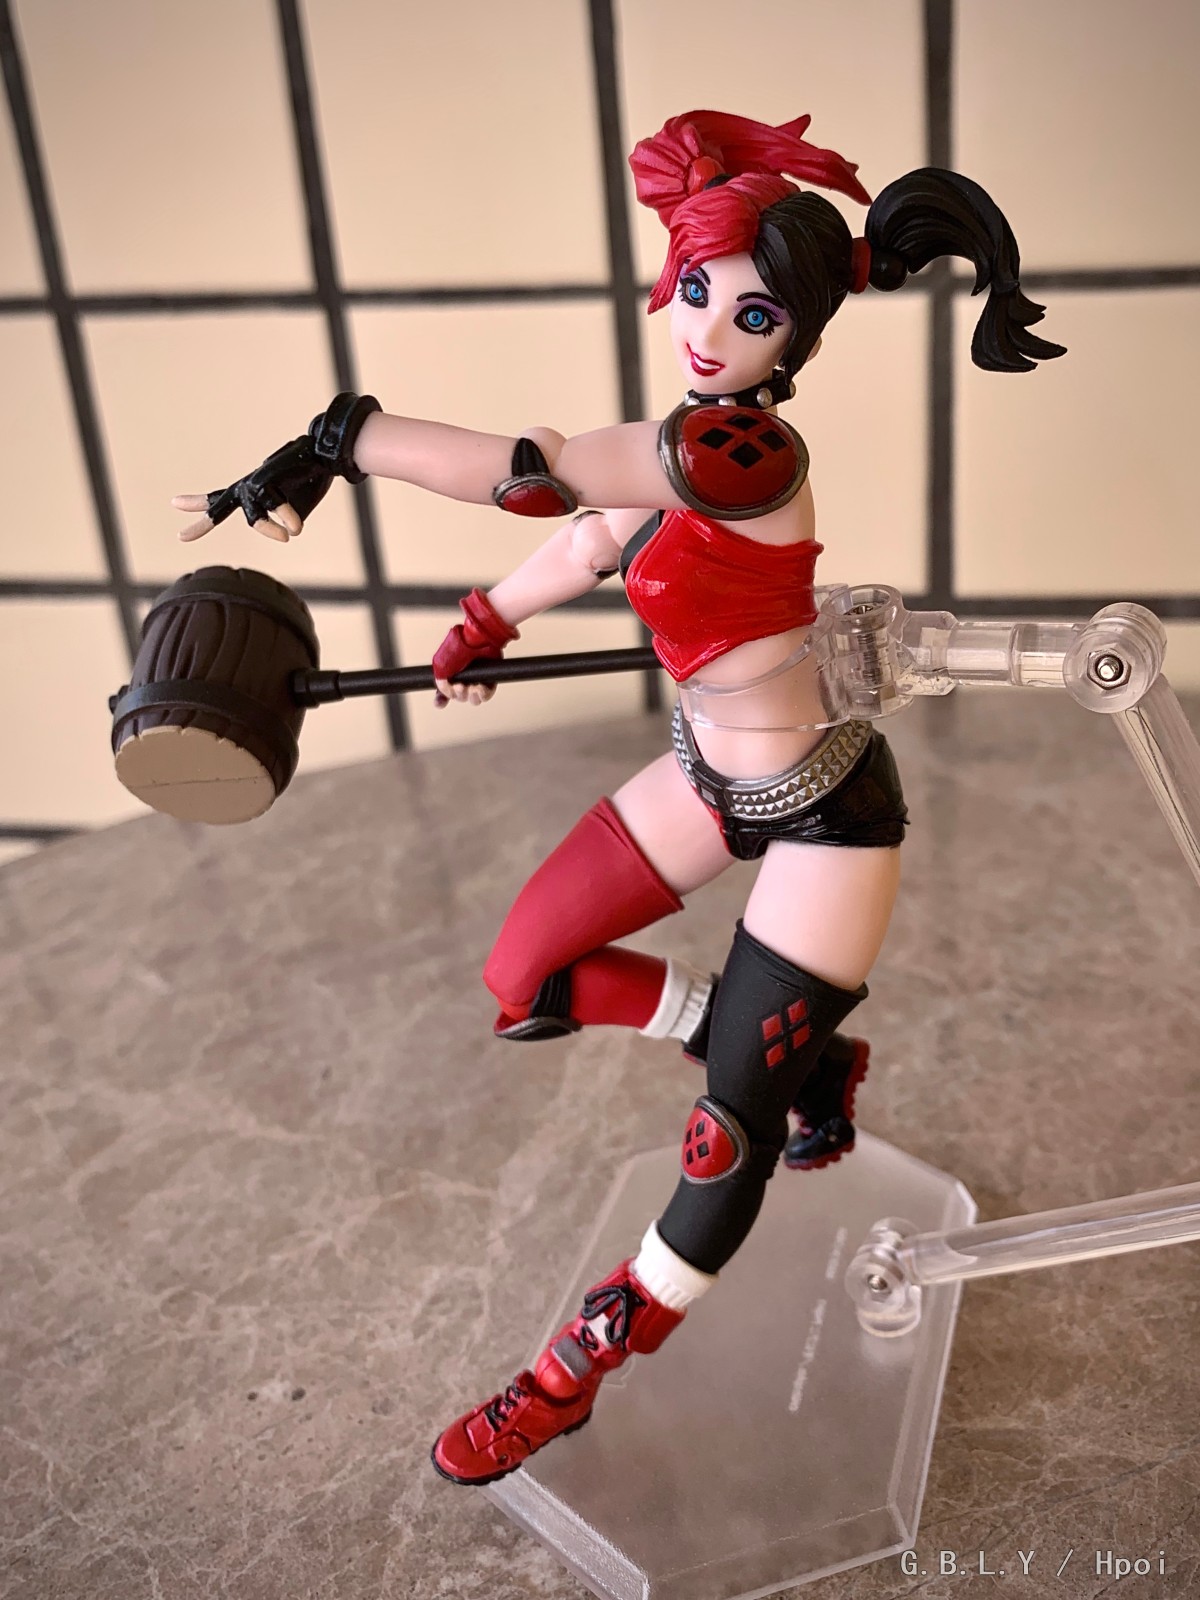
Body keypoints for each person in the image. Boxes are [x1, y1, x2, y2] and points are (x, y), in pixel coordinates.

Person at [174, 109, 1063, 1486]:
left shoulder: (742, 456)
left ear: (796, 338)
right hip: (704, 776)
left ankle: (572, 1372)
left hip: (824, 814)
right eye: (696, 289)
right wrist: (485, 622)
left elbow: (528, 476)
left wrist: (345, 436)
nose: (710, 329)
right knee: (523, 972)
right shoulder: (676, 457)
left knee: (724, 1140)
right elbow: (590, 537)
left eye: (752, 313)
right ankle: (799, 1059)